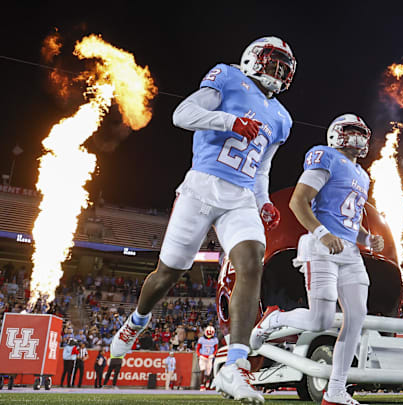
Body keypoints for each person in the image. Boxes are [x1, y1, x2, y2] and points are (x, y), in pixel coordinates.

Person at [109, 36, 296, 404]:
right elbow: (182, 115)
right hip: (201, 187)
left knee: (252, 262)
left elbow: (262, 168)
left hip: (241, 195)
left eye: (283, 68)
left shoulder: (282, 118)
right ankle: (138, 320)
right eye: (272, 62)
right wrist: (230, 121)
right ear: (253, 60)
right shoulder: (227, 77)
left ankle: (235, 366)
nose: (277, 71)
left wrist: (262, 203)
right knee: (168, 273)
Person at [250, 114, 384, 405]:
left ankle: (335, 390)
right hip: (319, 246)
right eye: (351, 131)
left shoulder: (362, 175)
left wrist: (367, 240)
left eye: (362, 133)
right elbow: (298, 201)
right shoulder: (325, 156)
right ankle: (274, 318)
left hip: (349, 251)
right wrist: (322, 234)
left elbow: (349, 221)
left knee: (356, 319)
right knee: (320, 320)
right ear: (336, 134)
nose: (358, 138)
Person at [196, 325, 218, 390]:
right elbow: (198, 348)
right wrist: (199, 355)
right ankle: (202, 385)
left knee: (208, 373)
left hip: (210, 357)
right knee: (202, 370)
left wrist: (213, 354)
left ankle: (207, 381)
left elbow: (216, 348)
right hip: (203, 356)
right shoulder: (201, 339)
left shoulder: (215, 340)